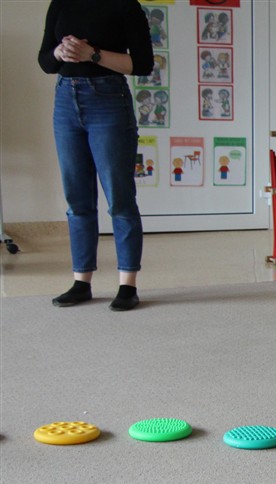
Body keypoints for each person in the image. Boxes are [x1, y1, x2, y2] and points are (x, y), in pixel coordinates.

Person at [38, 0, 153, 311]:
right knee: (77, 198)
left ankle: (127, 285)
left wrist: (93, 54)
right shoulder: (61, 3)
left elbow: (143, 64)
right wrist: (60, 53)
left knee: (120, 197)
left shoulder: (125, 5)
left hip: (108, 100)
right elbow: (45, 61)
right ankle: (81, 281)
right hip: (66, 99)